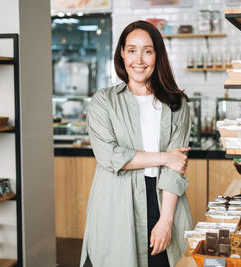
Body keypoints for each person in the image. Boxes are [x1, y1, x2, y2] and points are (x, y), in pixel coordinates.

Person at [80, 20, 194, 267]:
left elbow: (176, 168)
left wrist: (165, 222)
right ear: (122, 54)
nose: (138, 60)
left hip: (164, 201)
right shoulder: (103, 101)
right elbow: (110, 156)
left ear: (158, 55)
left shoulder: (177, 103)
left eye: (147, 51)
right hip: (115, 202)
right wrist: (164, 156)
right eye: (131, 50)